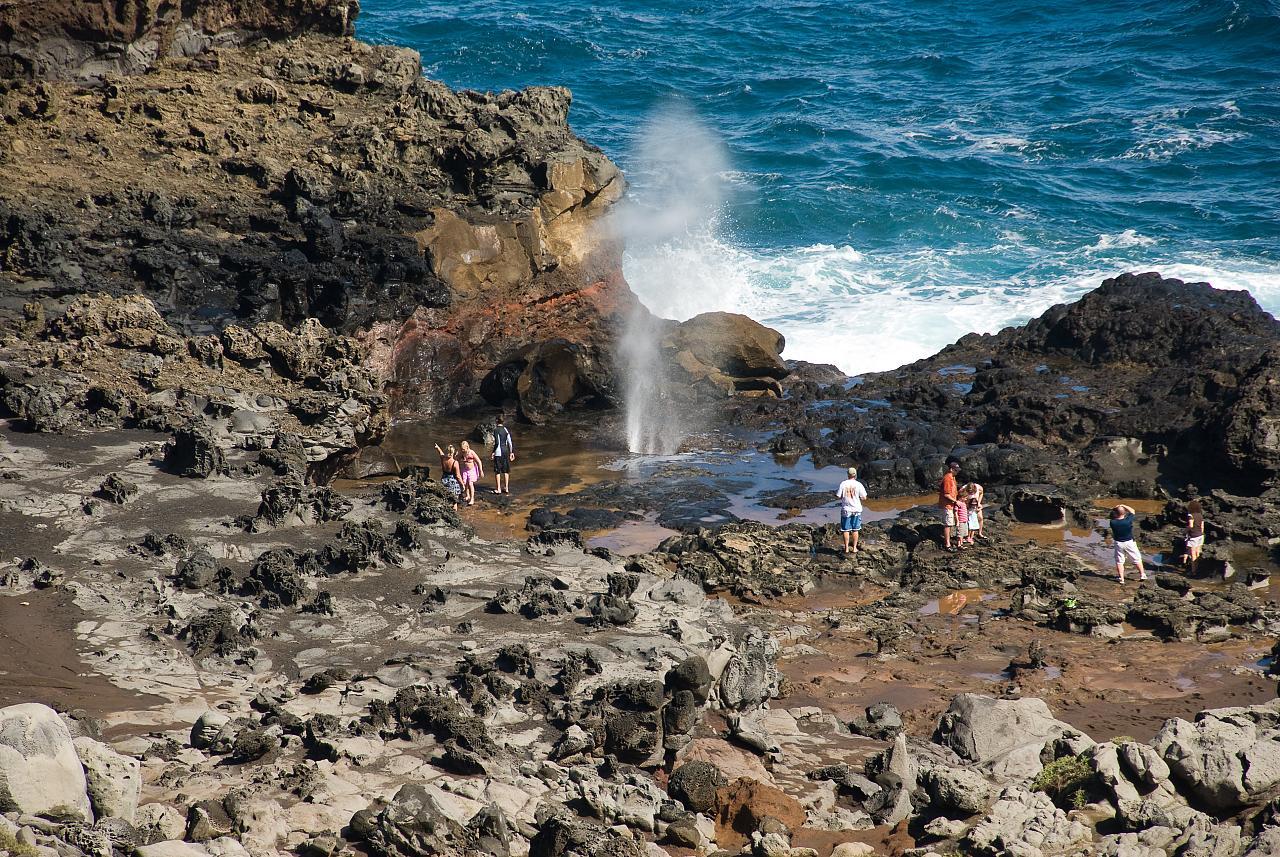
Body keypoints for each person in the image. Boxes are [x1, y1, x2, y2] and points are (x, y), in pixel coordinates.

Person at [1109, 504, 1146, 584]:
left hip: (1118, 543)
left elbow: (1112, 514)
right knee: (1137, 559)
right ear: (1124, 513)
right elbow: (1132, 510)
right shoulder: (1127, 521)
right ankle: (1142, 574)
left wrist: (1116, 508)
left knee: (1119, 561)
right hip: (1129, 542)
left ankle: (1121, 579)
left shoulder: (1112, 522)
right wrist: (1123, 505)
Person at [835, 466, 868, 554]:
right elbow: (864, 497)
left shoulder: (843, 484)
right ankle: (854, 548)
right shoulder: (859, 484)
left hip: (846, 509)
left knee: (845, 530)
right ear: (855, 475)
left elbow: (838, 496)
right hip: (857, 509)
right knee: (855, 529)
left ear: (848, 474)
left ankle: (846, 548)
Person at [938, 460, 961, 551]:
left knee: (950, 524)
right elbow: (946, 494)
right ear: (951, 469)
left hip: (950, 504)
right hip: (947, 505)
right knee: (948, 524)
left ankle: (948, 542)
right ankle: (947, 545)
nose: (957, 472)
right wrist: (956, 501)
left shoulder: (953, 477)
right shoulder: (948, 478)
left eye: (958, 470)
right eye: (956, 470)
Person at [434, 442, 463, 511]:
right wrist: (462, 484)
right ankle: (454, 512)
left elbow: (440, 453)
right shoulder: (455, 463)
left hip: (444, 479)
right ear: (453, 453)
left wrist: (438, 448)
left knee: (445, 498)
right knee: (454, 501)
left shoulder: (443, 459)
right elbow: (458, 476)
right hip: (452, 482)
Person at [492, 417, 516, 495]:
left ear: (496, 421)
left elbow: (497, 443)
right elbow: (510, 442)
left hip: (498, 452)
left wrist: (493, 452)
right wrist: (511, 452)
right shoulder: (505, 429)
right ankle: (506, 488)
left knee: (497, 470)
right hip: (505, 450)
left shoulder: (496, 430)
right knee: (506, 470)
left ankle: (498, 488)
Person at [459, 440, 484, 506]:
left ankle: (472, 498)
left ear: (467, 447)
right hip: (464, 469)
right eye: (461, 449)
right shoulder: (462, 453)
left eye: (464, 449)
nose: (462, 450)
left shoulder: (471, 452)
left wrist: (481, 470)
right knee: (465, 483)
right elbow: (457, 459)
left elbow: (479, 461)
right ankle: (467, 495)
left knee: (470, 483)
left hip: (471, 470)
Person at [1184, 499, 1205, 573]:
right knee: (1197, 552)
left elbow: (1191, 525)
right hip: (1201, 536)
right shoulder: (1200, 515)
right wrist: (1201, 533)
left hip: (1193, 536)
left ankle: (1193, 571)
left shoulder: (1191, 515)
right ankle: (1198, 568)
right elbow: (1202, 527)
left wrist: (1185, 531)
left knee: (1193, 554)